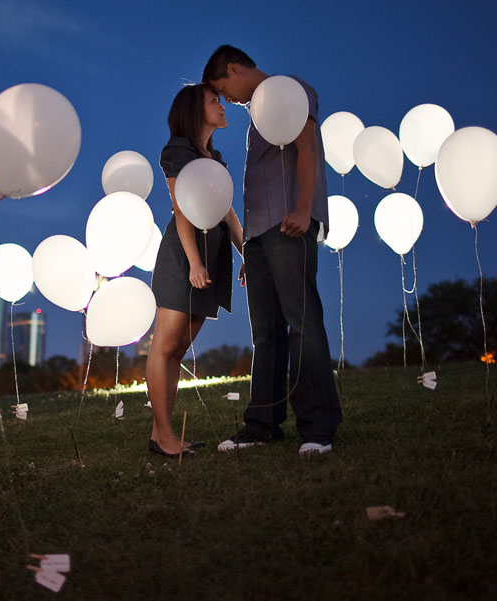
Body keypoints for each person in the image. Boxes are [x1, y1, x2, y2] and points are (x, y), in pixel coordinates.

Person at [201, 45, 342, 455]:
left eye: (222, 89)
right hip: (260, 236)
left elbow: (307, 148)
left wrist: (302, 210)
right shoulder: (255, 115)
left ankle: (318, 427)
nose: (226, 99)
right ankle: (262, 424)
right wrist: (250, 248)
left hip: (289, 223)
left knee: (302, 323)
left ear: (232, 68)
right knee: (265, 333)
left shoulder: (289, 89)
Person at [146, 84, 244, 458]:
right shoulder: (176, 152)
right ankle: (165, 437)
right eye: (214, 101)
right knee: (165, 346)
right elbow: (180, 208)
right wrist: (195, 264)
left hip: (211, 252)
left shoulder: (213, 158)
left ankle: (162, 434)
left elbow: (228, 211)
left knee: (179, 348)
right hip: (185, 256)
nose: (222, 106)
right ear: (193, 110)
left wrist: (246, 249)